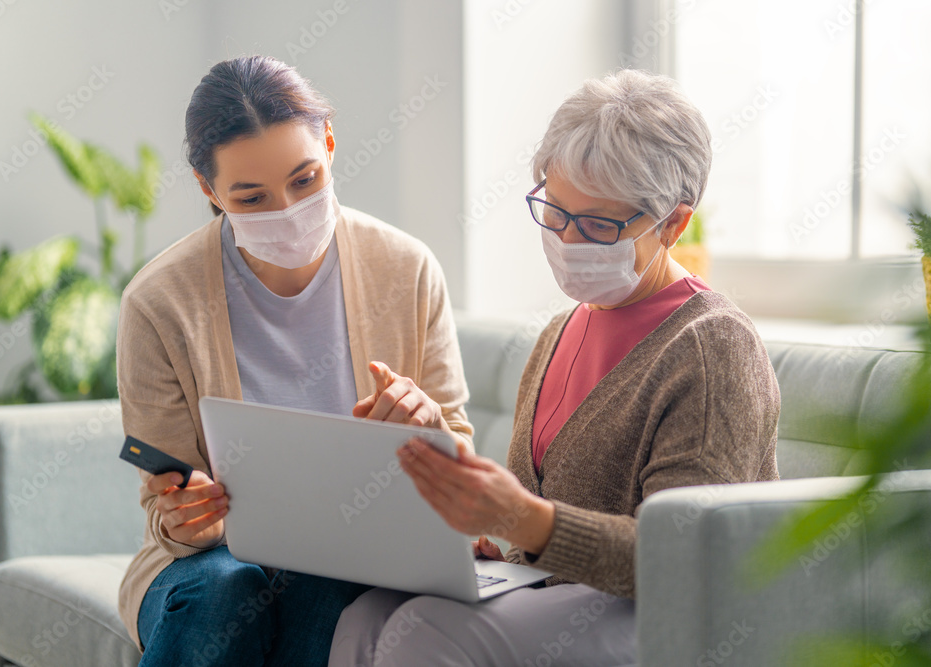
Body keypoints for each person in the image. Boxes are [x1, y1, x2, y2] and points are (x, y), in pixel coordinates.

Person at [329, 69, 781, 666]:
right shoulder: (560, 331)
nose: (567, 240)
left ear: (674, 223)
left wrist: (521, 520)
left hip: (674, 620)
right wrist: (482, 524)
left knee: (427, 632)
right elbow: (535, 517)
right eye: (555, 211)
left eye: (597, 225)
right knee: (365, 615)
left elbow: (682, 557)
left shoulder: (712, 346)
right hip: (559, 598)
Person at [115, 55, 473, 667]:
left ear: (329, 145)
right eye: (251, 198)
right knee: (226, 590)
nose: (284, 210)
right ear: (208, 189)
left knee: (330, 585)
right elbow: (165, 505)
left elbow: (463, 466)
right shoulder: (158, 302)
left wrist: (429, 428)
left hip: (357, 552)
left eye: (304, 181)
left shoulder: (406, 269)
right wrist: (188, 518)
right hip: (211, 565)